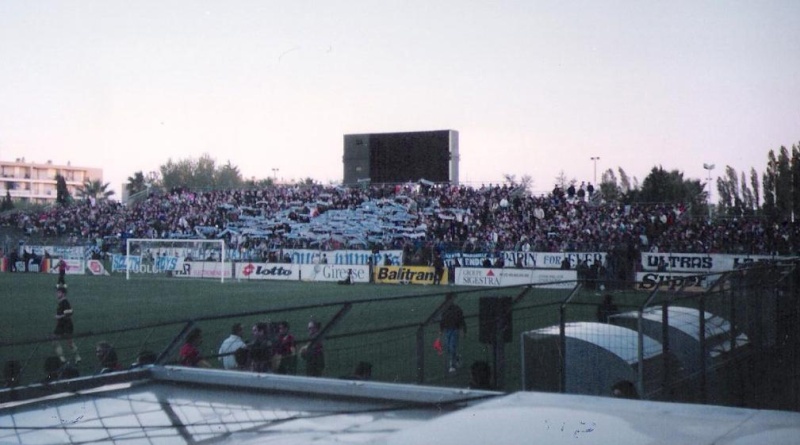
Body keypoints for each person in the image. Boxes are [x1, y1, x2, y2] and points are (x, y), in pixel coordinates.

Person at [53, 285, 80, 364]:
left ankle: (74, 357)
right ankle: (65, 359)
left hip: (66, 324)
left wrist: (59, 316)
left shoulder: (65, 302)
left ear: (63, 294)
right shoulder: (62, 302)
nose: (57, 294)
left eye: (59, 292)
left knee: (68, 342)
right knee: (55, 341)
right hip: (62, 324)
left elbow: (70, 312)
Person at [439, 299, 467, 373]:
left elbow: (461, 320)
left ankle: (452, 365)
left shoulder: (456, 309)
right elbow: (442, 321)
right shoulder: (445, 310)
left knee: (452, 347)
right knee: (449, 348)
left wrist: (463, 330)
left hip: (455, 330)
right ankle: (456, 358)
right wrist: (441, 330)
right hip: (447, 330)